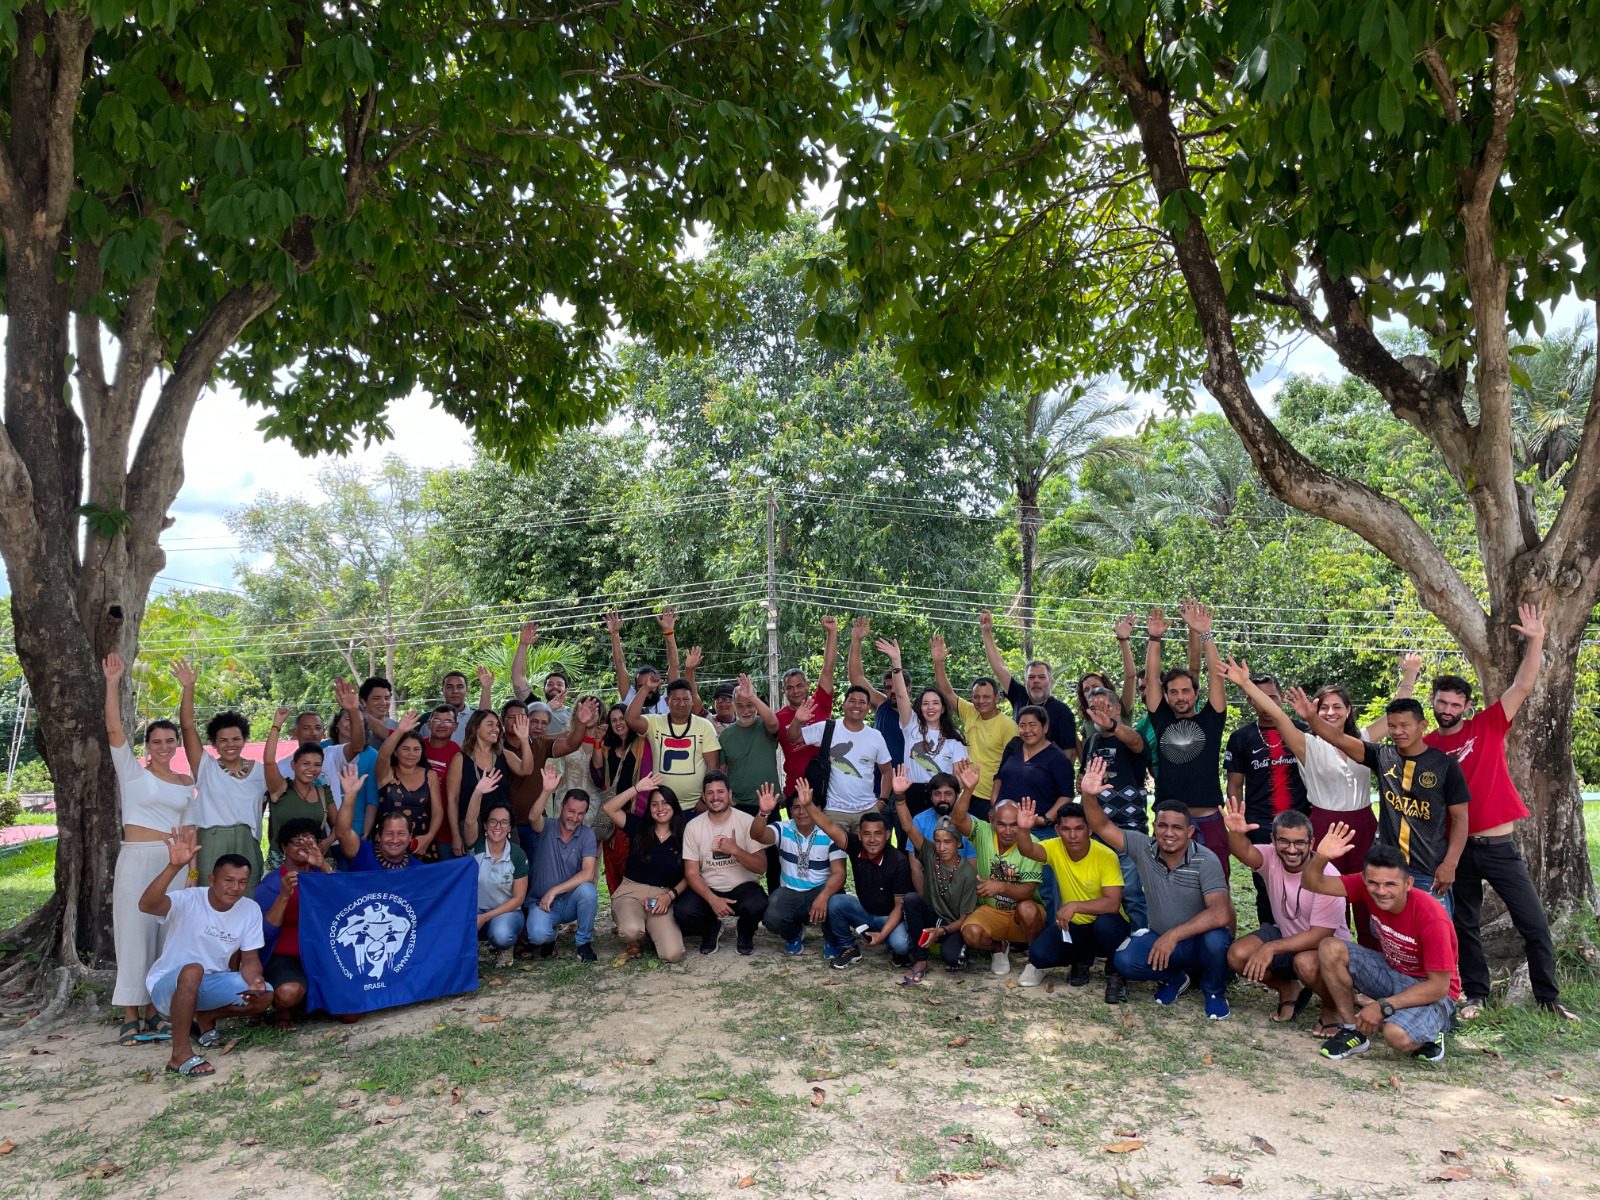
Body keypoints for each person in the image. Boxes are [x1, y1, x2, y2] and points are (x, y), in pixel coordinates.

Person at [1421, 605, 1574, 1021]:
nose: (1448, 708)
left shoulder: (1487, 725)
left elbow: (1523, 684)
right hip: (1456, 851)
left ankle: (1548, 998)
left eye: (1455, 703)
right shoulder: (1427, 747)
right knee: (1465, 925)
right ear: (1433, 703)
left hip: (1499, 845)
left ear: (1467, 707)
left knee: (1533, 922)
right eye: (1442, 702)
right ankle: (1476, 995)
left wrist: (1536, 639)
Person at [1079, 757, 1235, 1017]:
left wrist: (1173, 935)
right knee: (1125, 961)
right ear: (1154, 827)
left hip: (1198, 942)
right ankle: (1175, 978)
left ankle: (1214, 990)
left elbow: (1220, 914)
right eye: (1162, 825)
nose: (1169, 833)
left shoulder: (1206, 859)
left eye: (1177, 827)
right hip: (1162, 937)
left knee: (1217, 940)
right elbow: (1102, 826)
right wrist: (1088, 795)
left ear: (1190, 833)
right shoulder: (1143, 848)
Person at [1298, 827, 1461, 1063]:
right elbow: (1313, 883)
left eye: (1390, 885)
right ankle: (1352, 1029)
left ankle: (1434, 1030)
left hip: (1433, 990)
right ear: (1365, 880)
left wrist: (1382, 1006)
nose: (1381, 891)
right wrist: (1321, 856)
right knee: (1330, 947)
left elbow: (1439, 987)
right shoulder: (1366, 888)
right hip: (1393, 972)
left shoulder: (1431, 916)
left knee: (1396, 1036)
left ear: (1408, 883)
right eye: (1373, 883)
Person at [1299, 696, 1469, 913]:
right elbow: (1339, 738)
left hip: (1429, 869)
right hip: (1386, 869)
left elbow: (1460, 818)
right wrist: (1312, 718)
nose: (1398, 731)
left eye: (1405, 725)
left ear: (1422, 725)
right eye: (1392, 726)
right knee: (1387, 933)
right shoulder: (1382, 755)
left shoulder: (1445, 766)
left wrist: (1450, 864)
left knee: (1434, 929)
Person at [103, 653, 193, 1046]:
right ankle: (130, 1012)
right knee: (134, 934)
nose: (163, 746)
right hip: (136, 859)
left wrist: (189, 871)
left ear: (175, 744)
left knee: (165, 937)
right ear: (147, 745)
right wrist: (112, 683)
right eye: (156, 741)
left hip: (172, 863)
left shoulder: (185, 778)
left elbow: (189, 828)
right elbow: (113, 731)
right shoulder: (132, 772)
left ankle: (157, 1010)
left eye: (169, 740)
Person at [139, 829, 272, 1078]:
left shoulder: (250, 909)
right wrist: (173, 867)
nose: (235, 888)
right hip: (169, 985)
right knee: (193, 969)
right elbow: (146, 905)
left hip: (210, 982)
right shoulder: (188, 899)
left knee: (266, 996)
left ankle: (205, 1016)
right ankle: (179, 1055)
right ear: (212, 879)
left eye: (243, 882)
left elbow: (250, 959)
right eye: (229, 880)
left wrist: (255, 980)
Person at [1219, 799, 1347, 1028]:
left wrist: (1270, 948)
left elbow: (1320, 934)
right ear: (1273, 840)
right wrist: (1236, 833)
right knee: (1237, 954)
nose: (1291, 849)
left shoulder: (1327, 875)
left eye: (1299, 843)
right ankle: (1288, 988)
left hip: (1327, 948)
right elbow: (1244, 852)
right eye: (1284, 841)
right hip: (1286, 936)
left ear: (1312, 843)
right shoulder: (1270, 857)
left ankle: (1332, 1006)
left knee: (1305, 964)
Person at [1012, 798, 1129, 1001]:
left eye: (1079, 828)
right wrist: (1023, 829)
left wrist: (1075, 905)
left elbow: (1112, 903)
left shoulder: (1106, 855)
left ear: (1090, 830)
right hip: (1074, 925)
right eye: (1066, 829)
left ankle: (1116, 969)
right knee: (1039, 956)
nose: (1072, 835)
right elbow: (1027, 850)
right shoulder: (1055, 847)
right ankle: (1081, 958)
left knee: (1106, 926)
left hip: (1105, 921)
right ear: (1058, 830)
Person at [1142, 601, 1230, 869]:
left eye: (1186, 691)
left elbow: (1217, 677)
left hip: (1208, 819)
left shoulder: (1211, 719)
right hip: (1170, 823)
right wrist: (1154, 638)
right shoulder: (1161, 720)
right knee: (1170, 887)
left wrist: (1206, 634)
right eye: (1174, 692)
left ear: (1195, 694)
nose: (1180, 697)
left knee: (1217, 888)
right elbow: (1152, 676)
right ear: (1166, 696)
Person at [1222, 670, 1312, 925]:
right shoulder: (1241, 738)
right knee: (1266, 889)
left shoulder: (1303, 731)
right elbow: (1235, 784)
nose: (1266, 703)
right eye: (1258, 697)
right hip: (1261, 825)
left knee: (1306, 885)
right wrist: (1238, 820)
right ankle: (1270, 940)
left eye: (1272, 696)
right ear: (1250, 701)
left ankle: (1304, 941)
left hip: (1301, 823)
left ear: (1282, 697)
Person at [173, 659, 266, 889]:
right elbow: (187, 727)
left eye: (236, 739)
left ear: (245, 740)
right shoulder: (206, 766)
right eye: (223, 740)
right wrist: (189, 687)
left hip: (247, 840)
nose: (230, 745)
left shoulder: (261, 771)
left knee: (246, 898)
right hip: (212, 840)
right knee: (209, 898)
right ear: (214, 743)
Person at [811, 798, 919, 971]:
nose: (872, 839)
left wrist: (882, 935)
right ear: (859, 835)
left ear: (887, 835)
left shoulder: (899, 862)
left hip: (889, 918)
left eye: (878, 833)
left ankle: (894, 949)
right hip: (865, 911)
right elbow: (829, 827)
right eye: (867, 834)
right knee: (836, 901)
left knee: (902, 945)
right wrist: (809, 805)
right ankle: (849, 947)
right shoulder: (855, 845)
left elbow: (900, 906)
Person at [950, 784, 1045, 977]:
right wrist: (968, 789)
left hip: (1024, 914)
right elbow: (958, 820)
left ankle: (1036, 961)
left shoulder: (1032, 843)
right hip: (992, 910)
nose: (1008, 830)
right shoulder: (984, 832)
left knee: (1026, 908)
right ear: (992, 821)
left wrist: (1000, 886)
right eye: (1002, 824)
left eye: (1014, 824)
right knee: (971, 933)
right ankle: (998, 948)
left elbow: (1027, 891)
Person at [1078, 684, 1149, 928]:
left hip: (1128, 831)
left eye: (1105, 707)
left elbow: (1138, 743)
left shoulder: (1130, 737)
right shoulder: (1091, 742)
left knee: (1132, 894)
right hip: (1097, 832)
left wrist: (1112, 726)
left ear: (1117, 709)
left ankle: (1140, 944)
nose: (1099, 713)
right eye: (1094, 708)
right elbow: (1082, 780)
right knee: (1099, 894)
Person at [677, 771, 771, 955]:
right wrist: (712, 900)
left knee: (758, 904)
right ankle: (711, 928)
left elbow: (762, 867)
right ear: (703, 797)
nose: (715, 797)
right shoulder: (693, 826)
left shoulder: (746, 821)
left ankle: (745, 931)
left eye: (720, 791)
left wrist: (735, 851)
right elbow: (691, 873)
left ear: (729, 794)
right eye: (710, 793)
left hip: (742, 887)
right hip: (709, 887)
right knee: (683, 911)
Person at [750, 779, 847, 956]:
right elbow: (757, 835)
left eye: (807, 806)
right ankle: (794, 934)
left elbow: (840, 873)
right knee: (771, 917)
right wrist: (763, 813)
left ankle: (831, 939)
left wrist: (824, 896)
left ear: (818, 809)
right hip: (790, 891)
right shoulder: (783, 828)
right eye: (796, 807)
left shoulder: (830, 834)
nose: (801, 812)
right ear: (790, 811)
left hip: (820, 889)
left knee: (837, 901)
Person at [875, 637, 966, 823]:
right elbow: (900, 694)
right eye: (925, 703)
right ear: (920, 707)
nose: (930, 707)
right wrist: (896, 662)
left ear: (942, 708)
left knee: (943, 846)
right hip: (911, 794)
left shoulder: (954, 740)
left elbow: (960, 779)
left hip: (943, 797)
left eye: (935, 703)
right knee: (908, 846)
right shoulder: (911, 726)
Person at [601, 773, 689, 964]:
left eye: (666, 803)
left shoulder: (685, 834)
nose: (660, 808)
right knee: (631, 930)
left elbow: (691, 874)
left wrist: (670, 896)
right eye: (655, 804)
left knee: (672, 954)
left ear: (674, 806)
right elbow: (609, 807)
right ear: (649, 808)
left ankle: (650, 930)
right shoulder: (639, 826)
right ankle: (637, 932)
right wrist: (637, 789)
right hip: (631, 892)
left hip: (662, 898)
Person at [255, 817, 335, 1028]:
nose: (304, 846)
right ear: (283, 846)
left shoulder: (323, 875)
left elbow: (346, 904)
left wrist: (323, 866)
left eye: (310, 841)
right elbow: (265, 932)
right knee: (288, 994)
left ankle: (312, 998)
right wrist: (283, 895)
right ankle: (287, 1007)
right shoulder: (271, 884)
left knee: (351, 1016)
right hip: (286, 957)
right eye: (297, 841)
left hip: (322, 954)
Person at [930, 632, 1017, 820]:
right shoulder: (970, 712)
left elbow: (1014, 766)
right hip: (967, 792)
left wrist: (999, 799)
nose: (981, 701)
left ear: (997, 698)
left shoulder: (1008, 726)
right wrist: (938, 662)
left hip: (991, 797)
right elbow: (946, 691)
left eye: (986, 697)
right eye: (976, 696)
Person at [892, 792, 977, 980]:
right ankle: (921, 960)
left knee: (952, 958)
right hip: (932, 915)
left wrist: (942, 931)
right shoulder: (930, 854)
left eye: (948, 842)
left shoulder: (967, 873)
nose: (942, 847)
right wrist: (899, 797)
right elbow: (908, 827)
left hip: (952, 924)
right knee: (912, 899)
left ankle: (945, 942)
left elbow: (965, 918)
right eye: (938, 841)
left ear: (958, 844)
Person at [979, 609, 1077, 758]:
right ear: (1025, 682)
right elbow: (999, 667)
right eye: (1031, 677)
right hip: (1018, 770)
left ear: (1050, 681)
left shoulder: (1062, 711)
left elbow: (1069, 753)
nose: (1036, 681)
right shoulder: (1019, 696)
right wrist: (986, 632)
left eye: (1041, 677)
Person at [798, 684, 892, 836]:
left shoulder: (875, 736)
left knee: (866, 858)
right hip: (834, 812)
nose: (857, 705)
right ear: (843, 705)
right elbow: (793, 737)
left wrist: (882, 801)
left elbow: (887, 771)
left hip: (867, 812)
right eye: (852, 700)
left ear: (868, 707)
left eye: (862, 702)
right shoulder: (827, 728)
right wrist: (797, 720)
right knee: (831, 858)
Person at [719, 674, 784, 891]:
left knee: (775, 857)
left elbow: (774, 722)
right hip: (740, 806)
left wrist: (753, 697)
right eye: (741, 705)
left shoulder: (763, 726)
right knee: (743, 856)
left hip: (769, 805)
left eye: (750, 705)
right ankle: (748, 898)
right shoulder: (726, 735)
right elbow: (722, 769)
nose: (746, 710)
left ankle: (775, 900)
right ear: (734, 707)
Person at [524, 788, 600, 961]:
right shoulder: (548, 826)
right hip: (541, 902)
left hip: (569, 902)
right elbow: (533, 817)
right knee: (537, 935)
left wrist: (554, 891)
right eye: (571, 811)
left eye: (580, 814)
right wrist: (545, 791)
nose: (574, 818)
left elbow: (588, 873)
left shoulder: (587, 834)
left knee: (588, 891)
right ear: (561, 807)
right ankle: (551, 937)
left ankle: (583, 943)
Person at [447, 706, 531, 861]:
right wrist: (455, 835)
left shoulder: (503, 754)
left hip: (503, 824)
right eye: (490, 724)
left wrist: (524, 740)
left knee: (510, 867)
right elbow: (452, 800)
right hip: (472, 826)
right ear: (476, 727)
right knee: (477, 871)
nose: (496, 729)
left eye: (498, 725)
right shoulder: (460, 759)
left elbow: (526, 769)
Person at [626, 679, 721, 810]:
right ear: (667, 701)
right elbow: (631, 719)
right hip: (662, 805)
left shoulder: (704, 726)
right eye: (676, 699)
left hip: (696, 806)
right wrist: (645, 688)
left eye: (686, 699)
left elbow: (713, 766)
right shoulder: (655, 722)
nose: (681, 704)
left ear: (692, 700)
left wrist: (704, 799)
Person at [775, 615, 842, 797]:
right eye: (789, 687)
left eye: (799, 685)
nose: (795, 691)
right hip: (794, 790)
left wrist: (832, 632)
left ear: (807, 686)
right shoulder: (778, 718)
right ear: (784, 691)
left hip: (825, 787)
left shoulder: (819, 702)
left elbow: (828, 668)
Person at [262, 710, 336, 869]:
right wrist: (277, 724)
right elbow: (269, 762)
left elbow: (339, 826)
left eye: (317, 765)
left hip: (315, 864)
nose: (311, 769)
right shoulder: (279, 790)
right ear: (293, 765)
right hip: (282, 864)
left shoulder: (323, 792)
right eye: (305, 764)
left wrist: (326, 843)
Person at [591, 702, 651, 893]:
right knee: (613, 863)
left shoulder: (643, 743)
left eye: (622, 718)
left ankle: (635, 907)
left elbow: (646, 778)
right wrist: (597, 743)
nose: (618, 723)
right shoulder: (609, 747)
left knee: (632, 863)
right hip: (611, 813)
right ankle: (618, 909)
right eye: (614, 720)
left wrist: (639, 817)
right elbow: (599, 776)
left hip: (634, 813)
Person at [373, 713, 444, 857]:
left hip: (421, 845)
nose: (411, 753)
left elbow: (438, 811)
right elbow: (382, 756)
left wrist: (428, 838)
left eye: (416, 749)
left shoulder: (430, 775)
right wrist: (399, 731)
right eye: (405, 749)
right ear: (396, 752)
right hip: (389, 845)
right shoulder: (387, 774)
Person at [471, 800, 530, 969]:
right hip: (475, 912)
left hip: (506, 913)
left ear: (510, 827)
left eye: (504, 822)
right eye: (493, 821)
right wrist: (479, 792)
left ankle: (503, 948)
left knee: (501, 935)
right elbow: (469, 821)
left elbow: (518, 899)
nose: (498, 826)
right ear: (484, 825)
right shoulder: (476, 848)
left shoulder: (517, 855)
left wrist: (485, 918)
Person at [332, 763, 424, 870]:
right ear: (378, 836)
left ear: (410, 837)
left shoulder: (418, 871)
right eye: (389, 833)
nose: (395, 839)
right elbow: (342, 833)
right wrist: (350, 796)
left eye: (401, 833)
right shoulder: (363, 853)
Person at [606, 606, 684, 717]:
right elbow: (619, 665)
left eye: (651, 683)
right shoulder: (630, 700)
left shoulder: (668, 701)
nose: (647, 688)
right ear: (635, 688)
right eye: (641, 686)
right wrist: (614, 634)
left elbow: (674, 666)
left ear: (658, 684)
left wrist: (668, 632)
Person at [272, 711, 325, 778]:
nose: (313, 733)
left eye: (318, 728)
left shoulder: (333, 755)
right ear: (294, 733)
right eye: (306, 728)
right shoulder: (282, 766)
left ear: (323, 732)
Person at [358, 676, 398, 745]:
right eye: (376, 698)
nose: (383, 702)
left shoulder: (397, 727)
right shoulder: (352, 727)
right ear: (363, 701)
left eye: (387, 698)